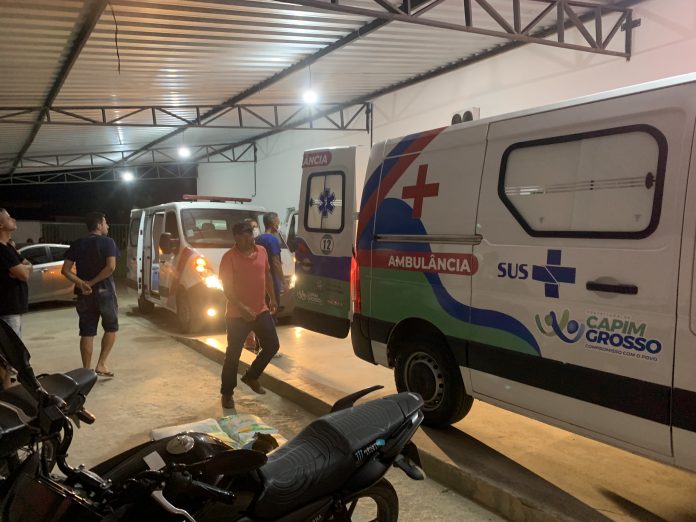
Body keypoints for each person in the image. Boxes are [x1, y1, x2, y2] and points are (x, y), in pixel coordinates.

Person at [219, 221, 279, 409]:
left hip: (261, 310)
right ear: (236, 238)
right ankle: (227, 393)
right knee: (233, 355)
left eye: (251, 235)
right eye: (244, 237)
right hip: (237, 316)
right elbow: (227, 289)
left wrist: (272, 298)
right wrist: (242, 308)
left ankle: (251, 376)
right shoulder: (228, 258)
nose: (249, 240)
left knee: (272, 345)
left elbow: (267, 275)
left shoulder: (262, 251)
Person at [61, 212, 119, 377]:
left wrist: (82, 284)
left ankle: (86, 371)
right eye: (105, 222)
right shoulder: (108, 242)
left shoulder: (77, 243)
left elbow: (65, 270)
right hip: (105, 291)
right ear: (99, 225)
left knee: (87, 331)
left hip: (84, 294)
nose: (107, 226)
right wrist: (92, 283)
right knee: (111, 328)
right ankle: (101, 364)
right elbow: (111, 267)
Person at [0, 209, 32, 389]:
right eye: (8, 217)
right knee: (8, 353)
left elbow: (28, 266)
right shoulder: (1, 249)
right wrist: (21, 270)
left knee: (11, 353)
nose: (13, 219)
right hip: (7, 308)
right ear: (1, 224)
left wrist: (21, 269)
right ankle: (4, 390)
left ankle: (6, 387)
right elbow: (25, 273)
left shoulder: (9, 247)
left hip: (14, 308)